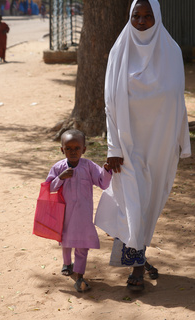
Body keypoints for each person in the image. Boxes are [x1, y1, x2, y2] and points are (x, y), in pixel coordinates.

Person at [95, 0, 191, 291]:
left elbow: (178, 101)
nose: (140, 21)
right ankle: (135, 267)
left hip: (160, 146)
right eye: (136, 15)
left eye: (147, 16)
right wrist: (113, 148)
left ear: (157, 17)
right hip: (127, 145)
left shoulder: (171, 52)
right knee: (132, 203)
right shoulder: (119, 51)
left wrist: (181, 142)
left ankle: (139, 253)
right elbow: (110, 104)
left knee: (148, 205)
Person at [46, 129, 112, 292]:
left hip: (83, 217)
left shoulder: (89, 166)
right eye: (68, 148)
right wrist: (60, 178)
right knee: (66, 241)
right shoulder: (58, 167)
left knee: (82, 245)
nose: (73, 151)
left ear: (84, 149)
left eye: (77, 148)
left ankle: (80, 275)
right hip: (65, 215)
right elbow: (48, 188)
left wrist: (107, 170)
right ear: (62, 150)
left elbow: (103, 183)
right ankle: (67, 264)